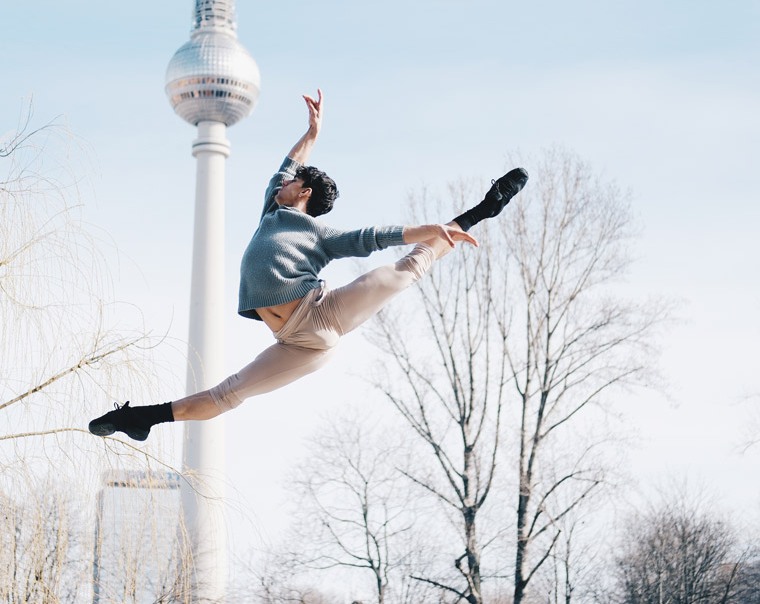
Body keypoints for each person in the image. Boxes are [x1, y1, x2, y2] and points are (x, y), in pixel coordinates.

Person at [89, 90, 527, 442]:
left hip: (323, 317)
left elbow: (375, 236)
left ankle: (483, 210)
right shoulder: (271, 212)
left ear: (303, 193)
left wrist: (430, 226)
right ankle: (142, 418)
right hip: (292, 344)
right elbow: (289, 164)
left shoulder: (320, 235)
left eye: (292, 183)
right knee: (228, 394)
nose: (283, 182)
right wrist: (312, 132)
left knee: (401, 271)